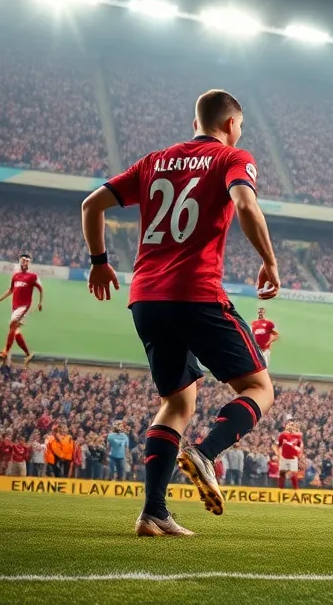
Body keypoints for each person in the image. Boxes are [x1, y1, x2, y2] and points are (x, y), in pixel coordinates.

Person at [81, 88, 279, 537]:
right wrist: (269, 260)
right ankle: (207, 454)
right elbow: (246, 205)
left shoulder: (154, 161)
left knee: (177, 401)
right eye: (240, 127)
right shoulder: (233, 158)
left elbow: (91, 204)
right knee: (258, 387)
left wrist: (99, 261)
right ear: (230, 125)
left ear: (195, 123)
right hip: (195, 292)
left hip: (146, 298)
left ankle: (152, 513)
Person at [0, 254, 42, 365]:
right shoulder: (15, 276)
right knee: (16, 332)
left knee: (12, 324)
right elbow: (11, 290)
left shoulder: (32, 276)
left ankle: (5, 352)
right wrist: (2, 297)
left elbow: (40, 288)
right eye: (22, 260)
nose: (24, 263)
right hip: (15, 308)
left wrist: (40, 302)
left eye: (26, 261)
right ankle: (28, 354)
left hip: (23, 307)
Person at [276, 420, 304, 490]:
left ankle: (296, 489)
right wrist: (278, 454)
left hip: (293, 458)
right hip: (284, 457)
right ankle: (280, 489)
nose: (290, 426)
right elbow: (278, 445)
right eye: (289, 425)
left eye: (292, 425)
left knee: (294, 474)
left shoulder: (298, 436)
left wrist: (300, 454)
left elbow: (300, 446)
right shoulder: (283, 435)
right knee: (282, 473)